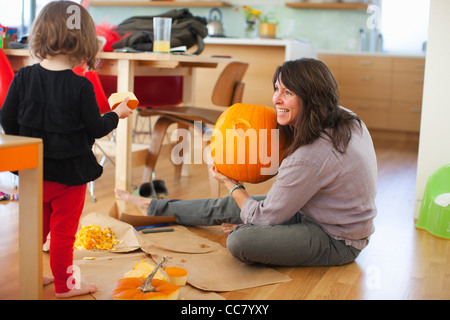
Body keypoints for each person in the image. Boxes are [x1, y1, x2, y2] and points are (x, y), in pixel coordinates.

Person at [116, 58, 377, 267]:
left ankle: (242, 227)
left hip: (337, 240)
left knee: (240, 240)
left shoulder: (310, 156)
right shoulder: (346, 117)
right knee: (233, 204)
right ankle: (152, 206)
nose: (276, 99)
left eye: (288, 93)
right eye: (277, 89)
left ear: (311, 98)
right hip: (315, 210)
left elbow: (264, 218)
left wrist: (232, 184)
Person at [1, 1, 133, 298]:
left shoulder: (23, 77)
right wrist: (117, 114)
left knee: (36, 230)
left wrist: (25, 152)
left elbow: (6, 119)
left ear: (39, 35)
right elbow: (97, 129)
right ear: (84, 42)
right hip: (69, 178)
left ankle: (33, 274)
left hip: (33, 172)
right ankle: (64, 285)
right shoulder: (82, 86)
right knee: (63, 234)